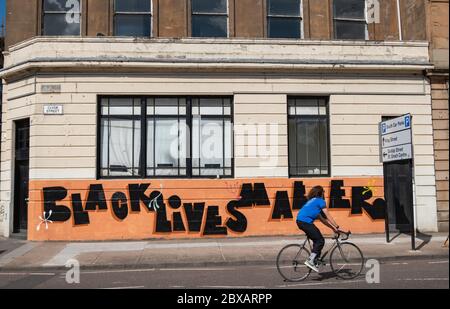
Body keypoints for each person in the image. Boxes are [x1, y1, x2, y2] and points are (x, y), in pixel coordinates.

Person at [296, 185, 342, 273]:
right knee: (320, 240)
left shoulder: (312, 202)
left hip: (301, 221)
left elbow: (323, 220)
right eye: (323, 192)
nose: (324, 194)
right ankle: (311, 260)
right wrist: (337, 226)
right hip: (305, 222)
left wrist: (333, 228)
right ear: (321, 193)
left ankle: (315, 260)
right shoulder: (321, 201)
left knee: (317, 240)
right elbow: (327, 215)